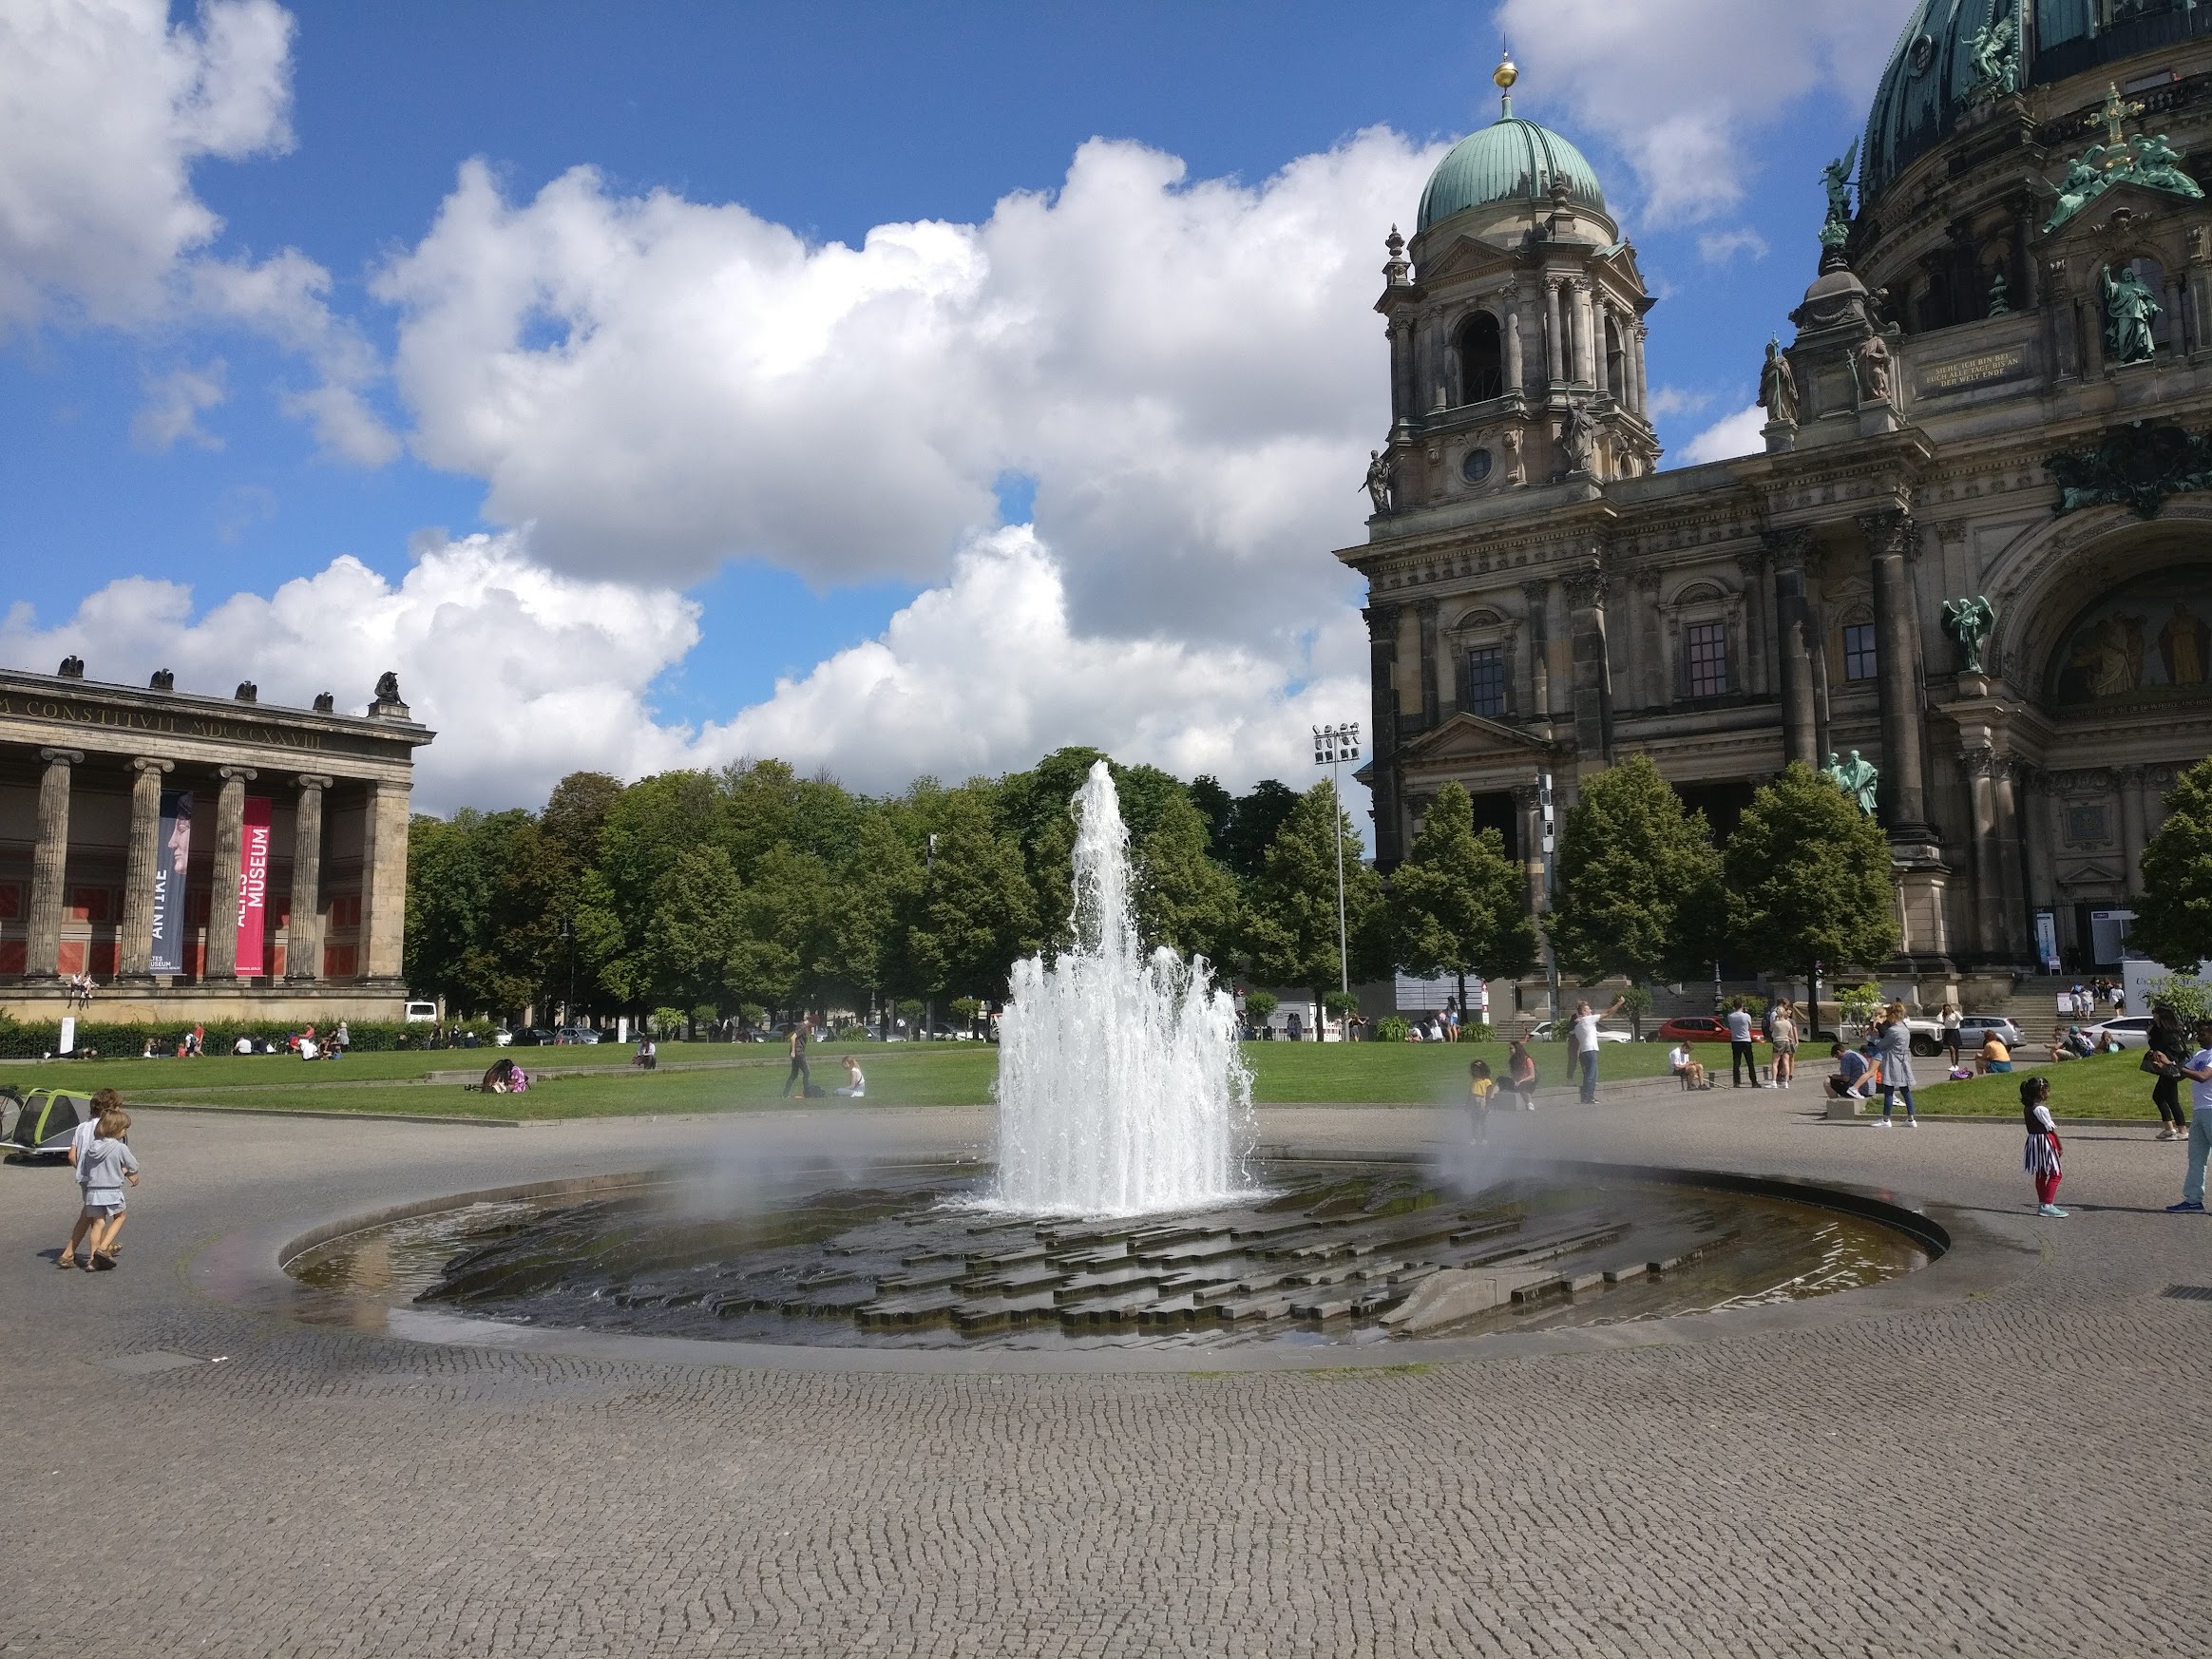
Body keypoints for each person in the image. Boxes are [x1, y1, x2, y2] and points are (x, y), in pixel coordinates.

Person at [57, 1089, 124, 1268]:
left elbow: (72, 1155)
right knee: (97, 1219)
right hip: (102, 1179)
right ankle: (94, 1257)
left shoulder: (81, 1127)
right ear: (111, 1109)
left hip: (85, 1178)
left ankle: (71, 1254)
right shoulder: (107, 1127)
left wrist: (82, 1170)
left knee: (89, 1214)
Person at [72, 1103, 139, 1270]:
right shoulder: (119, 1147)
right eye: (124, 1129)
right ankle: (103, 1248)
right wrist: (127, 1172)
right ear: (117, 1129)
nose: (125, 1132)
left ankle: (93, 1261)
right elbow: (133, 1165)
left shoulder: (91, 1148)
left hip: (93, 1192)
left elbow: (86, 1168)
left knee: (98, 1224)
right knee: (121, 1216)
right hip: (112, 1191)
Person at [2165, 1019, 2212, 1211]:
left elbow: (2203, 1077)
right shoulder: (2201, 1054)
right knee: (2196, 1159)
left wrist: (2173, 1065)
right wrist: (2163, 1065)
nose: (2198, 1037)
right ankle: (2193, 1200)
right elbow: (2181, 1074)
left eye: (2202, 1034)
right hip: (2200, 1111)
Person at [2022, 1076, 2066, 1218]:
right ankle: (2047, 1204)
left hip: (2033, 1141)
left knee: (2041, 1173)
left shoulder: (2028, 1108)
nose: (2049, 1093)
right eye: (2047, 1090)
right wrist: (2059, 1145)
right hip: (2044, 1141)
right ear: (2041, 1092)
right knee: (2056, 1173)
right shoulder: (2041, 1109)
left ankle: (2042, 1203)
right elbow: (2050, 1129)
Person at [2147, 1003, 2190, 1140]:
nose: (2153, 1016)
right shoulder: (2160, 1030)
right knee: (2163, 1097)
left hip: (2170, 1066)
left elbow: (2169, 1049)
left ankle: (2181, 1130)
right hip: (2165, 1067)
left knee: (2168, 1098)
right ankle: (2170, 1128)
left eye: (2155, 1013)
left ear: (2160, 1015)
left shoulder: (2167, 1032)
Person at [1572, 996, 1625, 1104]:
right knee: (1592, 1075)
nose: (1591, 1010)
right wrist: (1619, 1003)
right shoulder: (1588, 1019)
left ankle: (1587, 1096)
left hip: (1584, 1051)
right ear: (1584, 1012)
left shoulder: (1578, 1025)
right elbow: (1608, 1013)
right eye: (1588, 1009)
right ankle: (1588, 1097)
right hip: (1591, 1050)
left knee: (1588, 1074)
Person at [1873, 1002, 1918, 1127]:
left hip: (1893, 1061)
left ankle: (1886, 1119)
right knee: (1906, 1091)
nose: (1886, 1018)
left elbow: (1881, 1045)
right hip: (1903, 1061)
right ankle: (1911, 1119)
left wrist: (1872, 1037)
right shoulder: (1904, 1028)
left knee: (1888, 1090)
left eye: (1888, 1015)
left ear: (1893, 1015)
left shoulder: (1893, 1030)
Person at [1726, 1001, 1761, 1088]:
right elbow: (1750, 1027)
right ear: (1742, 1006)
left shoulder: (1730, 1016)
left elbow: (1730, 1027)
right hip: (1745, 1039)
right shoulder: (1746, 1016)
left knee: (1737, 1061)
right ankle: (1754, 1081)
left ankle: (1736, 1081)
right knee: (1750, 1061)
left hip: (1735, 1040)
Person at [1501, 1039, 1538, 1109]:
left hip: (1529, 1082)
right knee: (1501, 1079)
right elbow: (1514, 1074)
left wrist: (1521, 1081)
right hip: (1518, 1082)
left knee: (1522, 1085)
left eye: (1511, 1048)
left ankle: (1529, 1103)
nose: (1510, 1050)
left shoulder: (1527, 1059)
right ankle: (1491, 1100)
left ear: (1517, 1049)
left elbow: (1532, 1076)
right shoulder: (1512, 1061)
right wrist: (1515, 1081)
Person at [782, 1018, 812, 1097]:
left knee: (794, 1074)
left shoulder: (802, 1026)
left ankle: (785, 1094)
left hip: (797, 1052)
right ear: (811, 1022)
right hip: (798, 1053)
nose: (813, 1027)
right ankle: (807, 1093)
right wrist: (793, 1052)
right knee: (807, 1072)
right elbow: (793, 1037)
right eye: (813, 1025)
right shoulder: (803, 1027)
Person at [1771, 1001, 1800, 1089]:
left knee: (1775, 1062)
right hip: (1786, 1042)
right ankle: (1786, 1081)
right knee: (1786, 1062)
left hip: (1778, 1042)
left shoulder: (1776, 1023)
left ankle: (1773, 1081)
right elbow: (1791, 1035)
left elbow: (1770, 1029)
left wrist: (1776, 1019)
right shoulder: (1788, 1023)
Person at [1465, 1058, 1495, 1141]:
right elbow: (1470, 1093)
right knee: (1474, 1121)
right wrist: (1468, 1104)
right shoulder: (1474, 1081)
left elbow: (1488, 1095)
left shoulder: (1486, 1081)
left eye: (1478, 1070)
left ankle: (1484, 1138)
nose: (1476, 1072)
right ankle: (1474, 1137)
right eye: (1474, 1070)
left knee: (1483, 1121)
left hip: (1482, 1101)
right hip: (1474, 1100)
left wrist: (1488, 1106)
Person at [1939, 1000, 1963, 1069]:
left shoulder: (1955, 1015)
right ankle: (1953, 1065)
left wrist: (1954, 1011)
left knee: (1956, 1049)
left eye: (1948, 1008)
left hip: (1955, 1032)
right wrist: (1941, 1012)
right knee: (1951, 1049)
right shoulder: (1945, 1016)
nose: (1947, 1010)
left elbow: (1961, 1018)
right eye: (1945, 1009)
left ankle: (1956, 1065)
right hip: (1948, 1032)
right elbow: (1939, 1020)